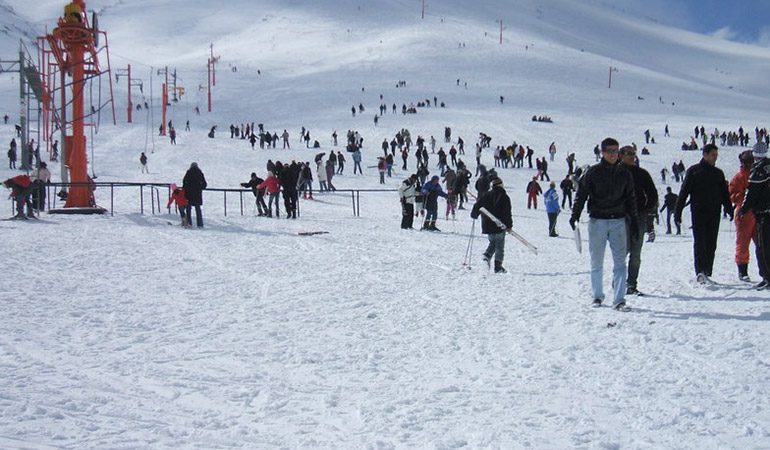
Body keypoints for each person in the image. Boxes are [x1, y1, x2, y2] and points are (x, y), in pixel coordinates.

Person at [569, 138, 638, 310]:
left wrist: (634, 220)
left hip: (618, 221)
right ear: (602, 152)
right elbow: (582, 194)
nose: (614, 155)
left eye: (616, 151)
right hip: (597, 221)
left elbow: (631, 198)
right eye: (610, 151)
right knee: (596, 261)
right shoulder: (593, 172)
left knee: (620, 262)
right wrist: (575, 215)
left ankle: (619, 299)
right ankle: (597, 296)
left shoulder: (624, 173)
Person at [675, 143, 733, 284]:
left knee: (711, 243)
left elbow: (724, 194)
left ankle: (707, 271)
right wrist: (678, 211)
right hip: (699, 212)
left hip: (714, 212)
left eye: (716, 155)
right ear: (705, 154)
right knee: (700, 242)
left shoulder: (718, 173)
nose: (715, 158)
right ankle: (700, 272)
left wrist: (729, 209)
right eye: (713, 155)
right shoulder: (694, 171)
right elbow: (684, 192)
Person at [618, 145, 658, 296]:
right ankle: (619, 282)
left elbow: (652, 193)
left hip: (638, 216)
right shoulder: (616, 172)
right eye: (629, 154)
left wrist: (646, 209)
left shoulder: (642, 173)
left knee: (636, 253)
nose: (632, 156)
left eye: (634, 154)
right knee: (622, 251)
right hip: (620, 217)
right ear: (621, 155)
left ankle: (631, 284)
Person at [739, 142, 770, 289]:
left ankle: (767, 277)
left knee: (763, 246)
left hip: (764, 213)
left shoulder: (758, 170)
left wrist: (743, 209)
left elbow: (751, 193)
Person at [470, 177, 512, 273]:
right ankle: (498, 266)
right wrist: (509, 225)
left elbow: (477, 205)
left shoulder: (486, 195)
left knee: (493, 242)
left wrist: (474, 214)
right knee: (499, 245)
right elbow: (507, 212)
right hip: (499, 225)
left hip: (487, 224)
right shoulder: (504, 197)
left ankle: (487, 256)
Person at [729, 150, 760, 282]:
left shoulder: (757, 175)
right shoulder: (739, 177)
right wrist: (743, 197)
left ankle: (763, 269)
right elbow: (732, 195)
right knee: (743, 243)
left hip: (758, 212)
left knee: (762, 243)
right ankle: (743, 271)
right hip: (744, 213)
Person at [182, 162, 207, 228]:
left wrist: (186, 189)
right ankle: (200, 224)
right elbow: (204, 184)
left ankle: (189, 223)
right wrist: (200, 188)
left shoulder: (188, 172)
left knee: (188, 209)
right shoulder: (200, 173)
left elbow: (184, 182)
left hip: (189, 194)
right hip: (197, 194)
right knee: (198, 209)